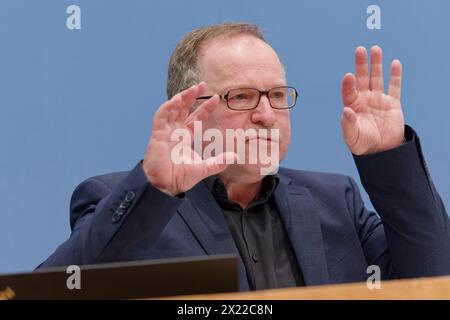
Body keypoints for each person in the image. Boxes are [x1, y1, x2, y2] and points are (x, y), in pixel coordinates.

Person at [38, 23, 450, 291]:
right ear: (189, 111)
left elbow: (433, 279)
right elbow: (59, 290)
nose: (266, 115)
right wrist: (154, 187)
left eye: (275, 95)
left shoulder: (336, 202)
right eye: (241, 96)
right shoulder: (129, 199)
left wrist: (387, 157)